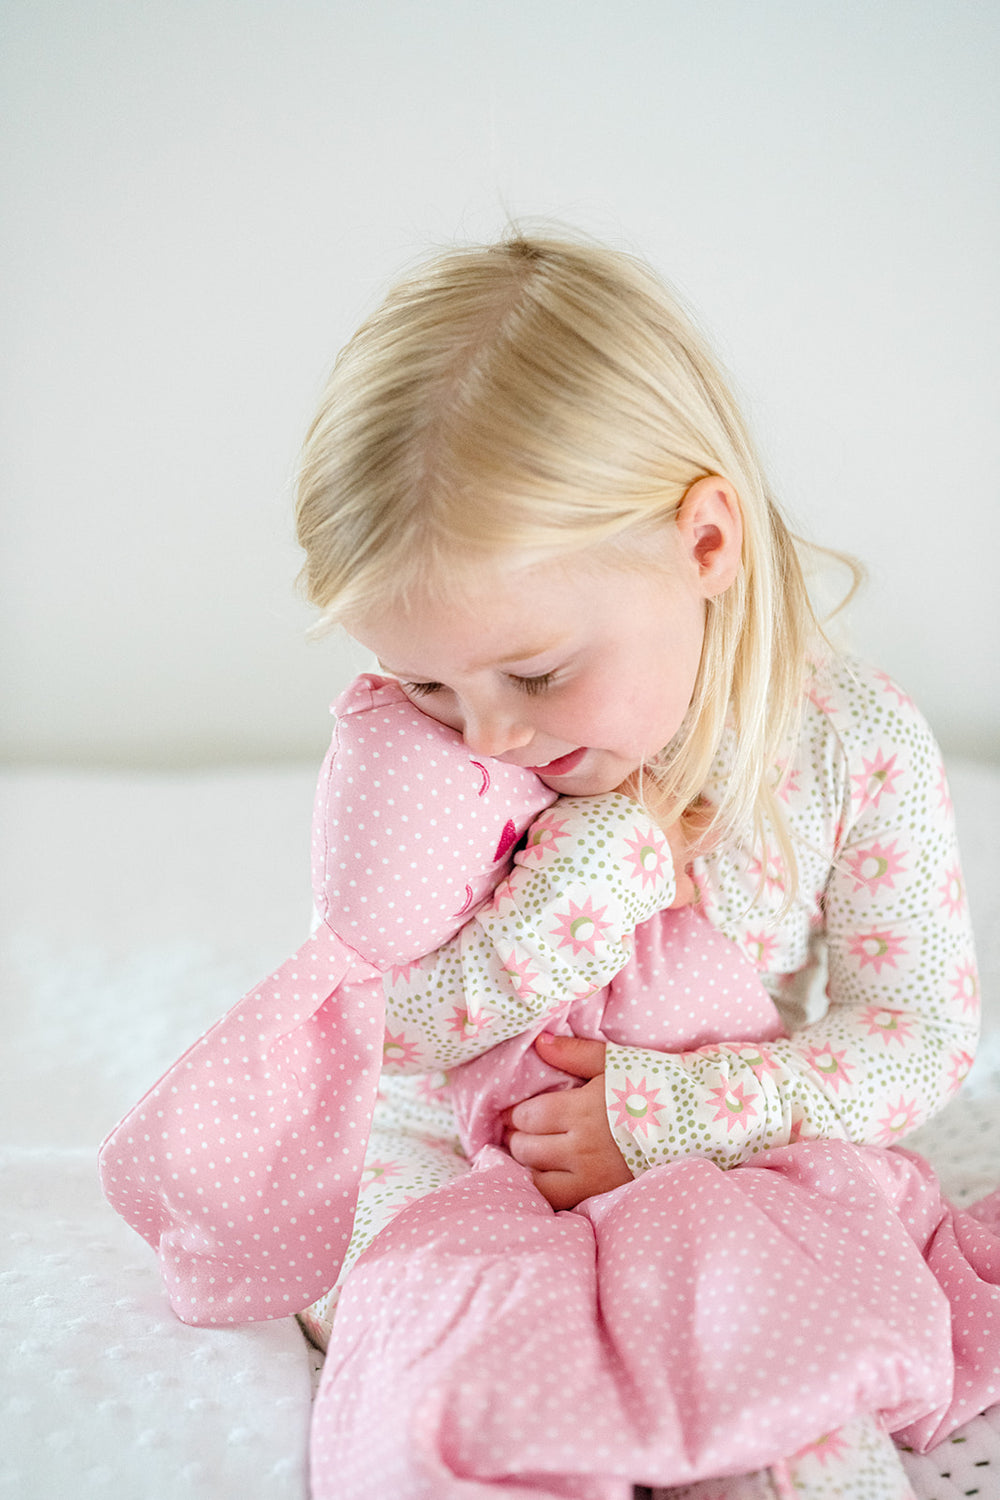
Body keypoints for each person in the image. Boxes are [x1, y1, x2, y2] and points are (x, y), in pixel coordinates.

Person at [290, 232, 984, 1497]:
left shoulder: (851, 745)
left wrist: (668, 1118)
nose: (491, 735)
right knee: (439, 1342)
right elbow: (378, 1026)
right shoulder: (426, 763)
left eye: (539, 674)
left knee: (788, 1372)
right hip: (451, 1143)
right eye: (427, 683)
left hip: (714, 1137)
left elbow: (918, 1031)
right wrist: (583, 891)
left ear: (702, 545)